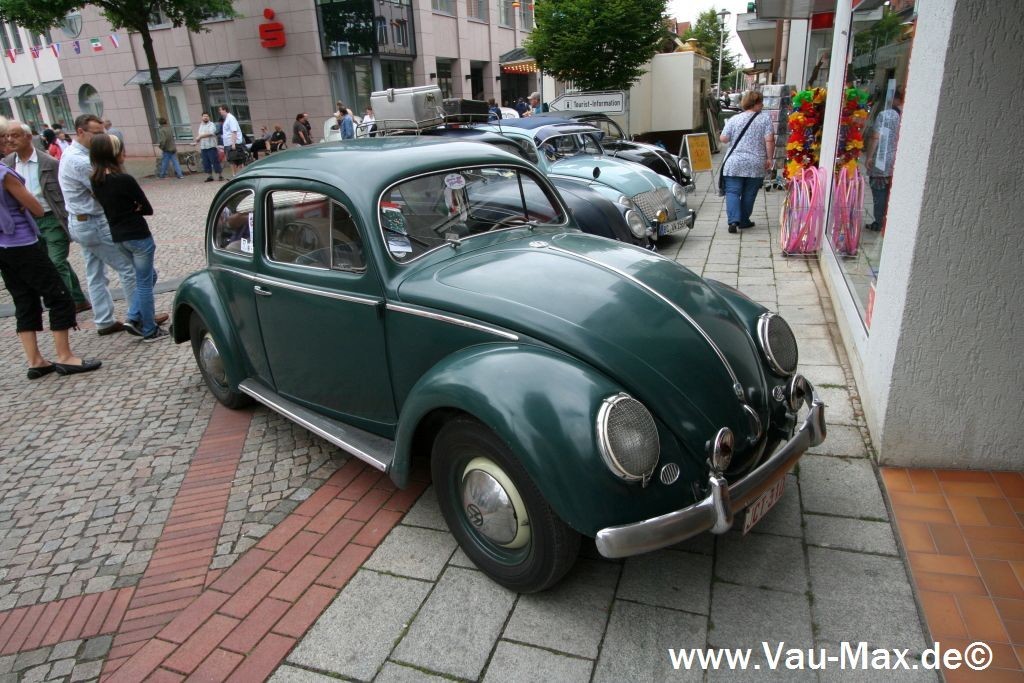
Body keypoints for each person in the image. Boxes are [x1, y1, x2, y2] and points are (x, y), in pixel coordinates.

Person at [0, 117, 101, 378]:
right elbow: (35, 207)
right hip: (22, 242)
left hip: (3, 247)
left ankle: (35, 361)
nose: (7, 140)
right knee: (58, 295)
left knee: (23, 299)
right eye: (4, 136)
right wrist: (21, 204)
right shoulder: (5, 172)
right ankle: (65, 356)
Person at [58, 114, 142, 336]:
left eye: (103, 132)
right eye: (97, 133)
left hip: (82, 222)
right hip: (91, 222)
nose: (101, 137)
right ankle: (140, 317)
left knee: (95, 273)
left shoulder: (76, 154)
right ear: (80, 132)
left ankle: (104, 320)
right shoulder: (80, 161)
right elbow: (105, 191)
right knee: (129, 268)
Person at [4, 121, 90, 313]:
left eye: (15, 135)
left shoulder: (49, 163)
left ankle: (66, 304)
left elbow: (64, 191)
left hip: (52, 218)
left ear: (28, 137)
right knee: (51, 261)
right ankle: (79, 299)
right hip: (28, 221)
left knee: (56, 261)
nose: (10, 140)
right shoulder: (7, 164)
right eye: (8, 136)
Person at [90, 134, 167, 342]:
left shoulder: (96, 180)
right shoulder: (124, 180)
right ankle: (149, 329)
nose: (124, 153)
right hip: (137, 235)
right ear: (113, 154)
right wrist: (135, 207)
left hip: (118, 236)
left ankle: (133, 316)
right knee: (144, 282)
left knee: (149, 277)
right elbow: (147, 208)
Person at [718, 90, 775, 234]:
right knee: (750, 193)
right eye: (761, 102)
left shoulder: (734, 119)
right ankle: (744, 220)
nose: (762, 105)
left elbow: (723, 139)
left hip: (734, 162)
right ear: (755, 103)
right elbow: (769, 140)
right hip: (756, 162)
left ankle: (733, 220)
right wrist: (769, 158)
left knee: (732, 192)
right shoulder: (765, 119)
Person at [863, 86, 903, 232]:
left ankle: (879, 222)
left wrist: (869, 157)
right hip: (898, 161)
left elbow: (875, 137)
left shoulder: (885, 115)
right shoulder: (907, 114)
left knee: (879, 192)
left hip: (883, 160)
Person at [194, 112, 224, 182]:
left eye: (207, 116)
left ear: (209, 117)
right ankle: (210, 176)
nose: (205, 117)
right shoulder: (201, 125)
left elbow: (211, 133)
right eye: (204, 116)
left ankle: (220, 175)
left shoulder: (212, 124)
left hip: (211, 146)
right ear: (202, 117)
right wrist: (196, 142)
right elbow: (200, 136)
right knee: (206, 163)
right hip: (203, 147)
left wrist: (200, 136)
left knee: (215, 161)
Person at [219, 105, 244, 174]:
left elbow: (234, 131)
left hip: (233, 143)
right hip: (228, 144)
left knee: (236, 160)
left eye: (220, 110)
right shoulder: (227, 118)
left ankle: (239, 175)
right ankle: (235, 175)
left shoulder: (231, 118)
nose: (219, 111)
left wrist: (233, 144)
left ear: (224, 110)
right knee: (231, 161)